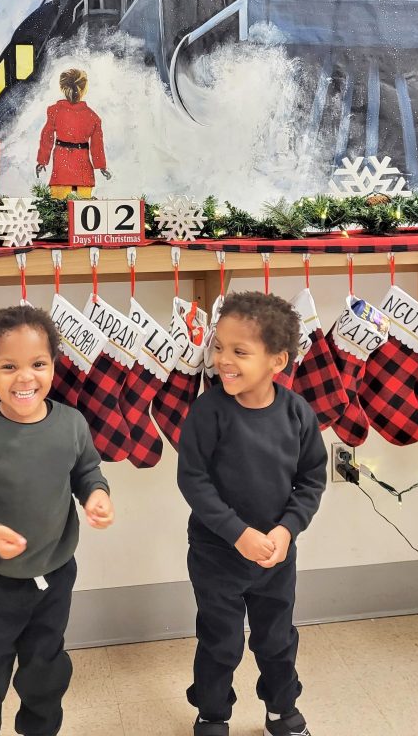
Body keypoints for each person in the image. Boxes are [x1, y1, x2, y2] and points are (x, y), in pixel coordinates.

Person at [0, 304, 114, 736]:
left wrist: (97, 495)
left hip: (54, 576)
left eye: (38, 364)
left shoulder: (71, 424)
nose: (25, 377)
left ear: (53, 367)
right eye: (9, 366)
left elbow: (87, 471)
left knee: (45, 672)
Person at [177, 292, 327, 736]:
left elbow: (311, 481)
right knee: (220, 643)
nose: (223, 359)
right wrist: (237, 533)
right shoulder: (208, 411)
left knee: (276, 640)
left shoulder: (296, 413)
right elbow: (194, 482)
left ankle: (282, 710)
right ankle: (212, 712)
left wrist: (286, 531)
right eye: (219, 347)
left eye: (239, 352)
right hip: (216, 555)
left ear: (277, 361)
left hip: (276, 558)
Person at [36, 67, 111, 198]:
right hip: (83, 169)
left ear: (62, 87)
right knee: (81, 209)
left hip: (61, 167)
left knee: (57, 209)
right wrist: (101, 166)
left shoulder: (55, 111)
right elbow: (97, 146)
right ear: (84, 90)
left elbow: (46, 138)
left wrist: (42, 161)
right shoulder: (93, 117)